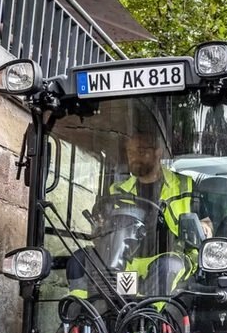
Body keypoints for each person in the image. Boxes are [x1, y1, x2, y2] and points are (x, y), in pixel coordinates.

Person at [68, 124, 211, 299]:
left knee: (167, 267)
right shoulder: (117, 190)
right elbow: (105, 229)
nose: (135, 157)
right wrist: (102, 226)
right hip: (126, 259)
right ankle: (82, 311)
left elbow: (206, 224)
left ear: (158, 153)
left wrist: (203, 227)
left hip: (173, 255)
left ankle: (149, 313)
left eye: (141, 151)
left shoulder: (185, 185)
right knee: (79, 260)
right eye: (130, 152)